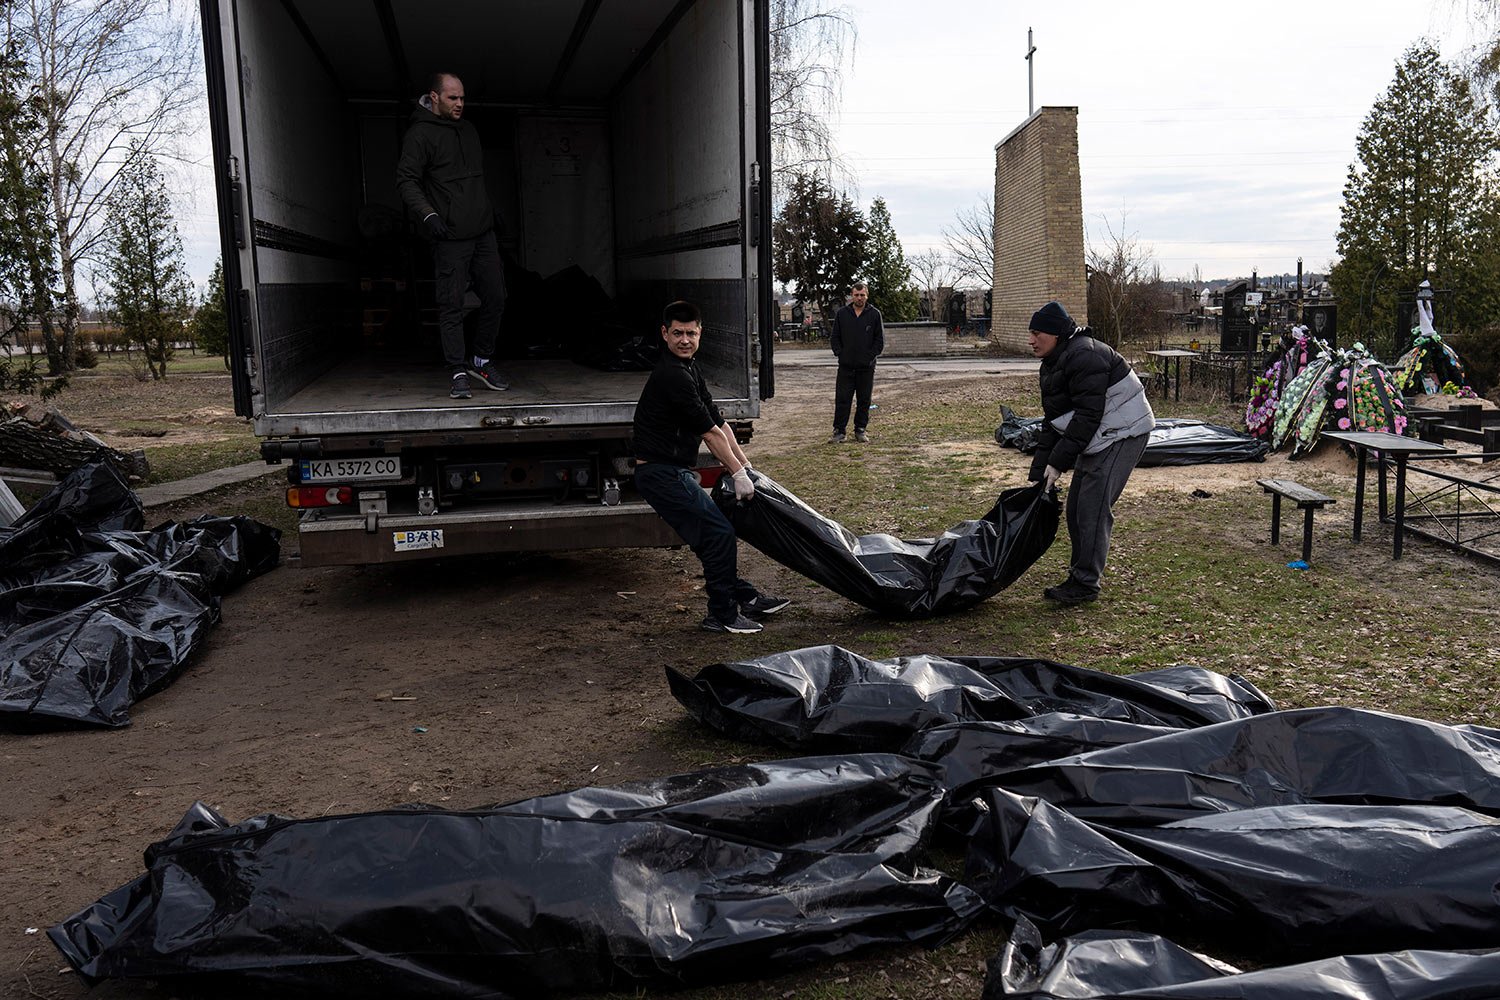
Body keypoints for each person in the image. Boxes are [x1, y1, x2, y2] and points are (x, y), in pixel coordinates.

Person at [633, 301, 790, 634]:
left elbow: (719, 424)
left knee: (710, 538)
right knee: (719, 534)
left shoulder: (690, 367)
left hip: (672, 470)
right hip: (659, 473)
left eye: (691, 333)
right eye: (678, 333)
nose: (685, 339)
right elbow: (707, 434)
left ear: (700, 333)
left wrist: (746, 468)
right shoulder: (672, 375)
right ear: (665, 334)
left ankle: (744, 597)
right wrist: (736, 472)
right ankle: (722, 615)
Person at [1026, 300, 1155, 606]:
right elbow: (1054, 421)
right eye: (1029, 333)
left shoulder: (1085, 355)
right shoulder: (1056, 360)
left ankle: (1085, 583)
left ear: (1056, 334)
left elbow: (1087, 416)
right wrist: (1039, 473)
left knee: (1092, 508)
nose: (1031, 340)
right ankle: (1078, 575)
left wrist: (1058, 463)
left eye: (1037, 333)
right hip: (1100, 435)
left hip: (1124, 432)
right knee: (1075, 510)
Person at [396, 72, 510, 400]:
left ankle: (482, 360)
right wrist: (429, 215)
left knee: (497, 298)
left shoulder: (469, 130)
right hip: (449, 236)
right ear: (434, 97)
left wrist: (490, 213)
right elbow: (406, 180)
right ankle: (457, 370)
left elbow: (472, 182)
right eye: (452, 98)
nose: (460, 104)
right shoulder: (419, 135)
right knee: (452, 305)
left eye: (462, 98)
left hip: (483, 233)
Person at [828, 281, 883, 443]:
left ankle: (860, 430)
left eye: (862, 295)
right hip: (846, 367)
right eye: (856, 295)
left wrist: (869, 358)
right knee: (842, 399)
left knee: (864, 400)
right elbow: (835, 338)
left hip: (866, 368)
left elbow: (879, 341)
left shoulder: (874, 314)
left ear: (867, 296)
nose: (859, 298)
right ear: (851, 296)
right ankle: (839, 431)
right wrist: (841, 354)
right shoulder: (842, 314)